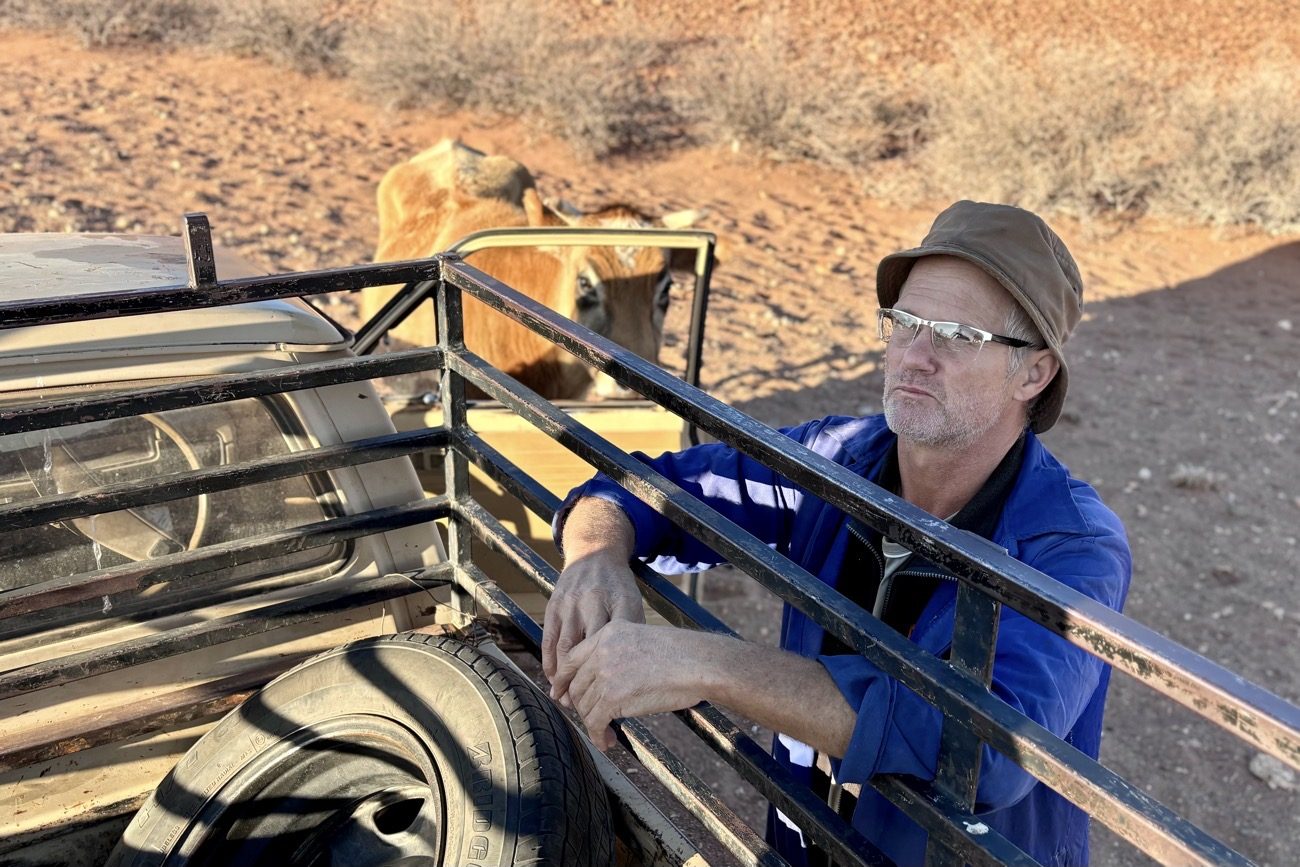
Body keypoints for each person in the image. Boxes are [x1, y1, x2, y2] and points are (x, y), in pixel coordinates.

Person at [541, 200, 1132, 867]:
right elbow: (646, 487)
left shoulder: (1070, 547)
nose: (915, 355)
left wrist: (704, 663)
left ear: (1034, 372)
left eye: (957, 335)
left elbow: (985, 749)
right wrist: (595, 553)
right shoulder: (835, 461)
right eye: (904, 322)